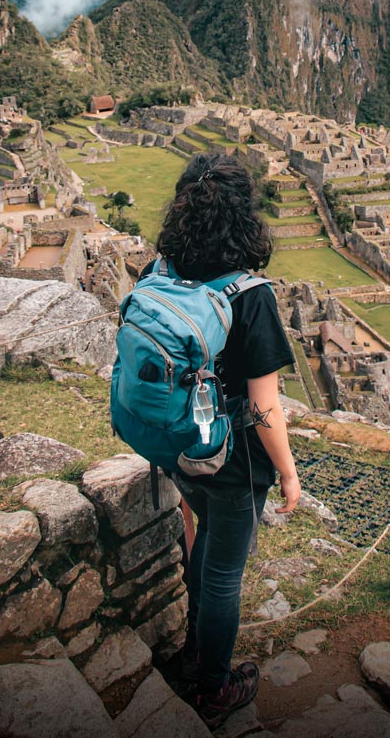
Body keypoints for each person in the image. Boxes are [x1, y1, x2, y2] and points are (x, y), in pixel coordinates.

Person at [146, 152, 301, 729]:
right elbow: (264, 407)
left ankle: (193, 651)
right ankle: (214, 686)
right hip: (232, 461)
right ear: (245, 214)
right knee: (221, 573)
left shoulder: (161, 270)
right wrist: (287, 471)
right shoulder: (250, 294)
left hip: (178, 443)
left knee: (204, 542)